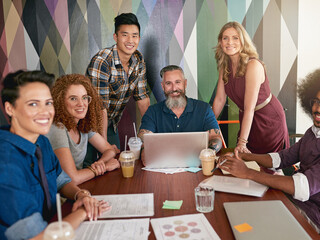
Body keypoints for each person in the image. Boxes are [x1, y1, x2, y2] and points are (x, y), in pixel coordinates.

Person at [218, 65, 320, 233]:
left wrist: (248, 173)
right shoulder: (315, 132)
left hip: (310, 217)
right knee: (233, 205)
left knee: (240, 221)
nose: (319, 109)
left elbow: (302, 188)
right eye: (316, 101)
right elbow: (281, 158)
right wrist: (245, 157)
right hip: (289, 200)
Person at [0, 70, 109, 240]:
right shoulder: (6, 163)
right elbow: (40, 237)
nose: (45, 112)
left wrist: (80, 195)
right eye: (33, 104)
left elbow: (61, 180)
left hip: (53, 223)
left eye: (48, 103)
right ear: (10, 108)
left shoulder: (41, 142)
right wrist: (83, 212)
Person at [212, 21, 289, 157]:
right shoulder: (225, 66)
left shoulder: (253, 65)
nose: (230, 42)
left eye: (235, 38)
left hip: (267, 120)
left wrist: (242, 142)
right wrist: (208, 125)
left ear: (243, 41)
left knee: (267, 168)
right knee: (247, 167)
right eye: (225, 38)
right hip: (247, 119)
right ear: (220, 42)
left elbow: (250, 108)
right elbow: (219, 99)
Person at [86, 12, 150, 148]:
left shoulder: (138, 60)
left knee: (116, 163)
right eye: (124, 35)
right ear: (116, 37)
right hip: (88, 125)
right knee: (98, 164)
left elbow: (142, 98)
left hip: (111, 122)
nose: (130, 40)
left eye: (134, 35)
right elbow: (100, 106)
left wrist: (151, 135)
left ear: (139, 37)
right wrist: (104, 147)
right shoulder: (102, 61)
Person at [138, 65, 222, 164]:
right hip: (163, 167)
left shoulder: (204, 109)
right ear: (162, 86)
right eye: (168, 83)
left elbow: (216, 138)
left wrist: (209, 153)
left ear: (185, 83)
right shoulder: (152, 111)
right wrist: (144, 151)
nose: (174, 88)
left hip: (197, 165)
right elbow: (143, 138)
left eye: (178, 82)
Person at [46, 74, 120, 185]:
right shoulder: (58, 129)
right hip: (57, 197)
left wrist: (100, 163)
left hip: (79, 188)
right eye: (73, 98)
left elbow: (109, 150)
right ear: (60, 101)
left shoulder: (82, 125)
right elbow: (71, 178)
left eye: (84, 97)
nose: (81, 104)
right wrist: (104, 167)